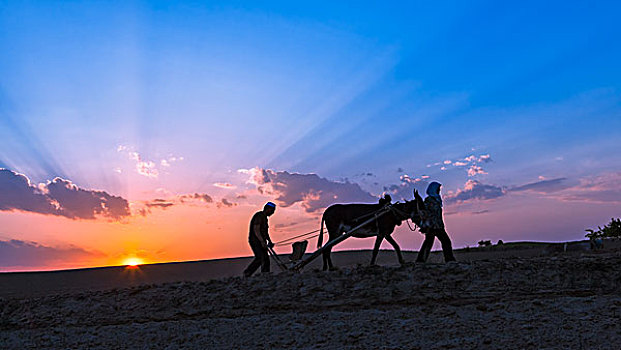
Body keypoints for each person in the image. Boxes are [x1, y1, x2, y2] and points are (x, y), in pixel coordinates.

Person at [415, 182, 456, 263]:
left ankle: (420, 261)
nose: (439, 191)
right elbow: (426, 213)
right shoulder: (429, 200)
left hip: (438, 226)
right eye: (438, 189)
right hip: (433, 226)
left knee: (429, 243)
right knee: (445, 242)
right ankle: (449, 259)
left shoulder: (436, 200)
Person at [243, 202, 276, 277]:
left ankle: (265, 275)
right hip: (255, 241)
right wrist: (262, 241)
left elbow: (265, 232)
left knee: (266, 259)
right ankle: (247, 273)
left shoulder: (265, 218)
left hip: (261, 241)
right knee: (260, 257)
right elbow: (256, 229)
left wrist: (269, 241)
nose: (272, 213)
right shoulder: (259, 215)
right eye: (272, 210)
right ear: (268, 209)